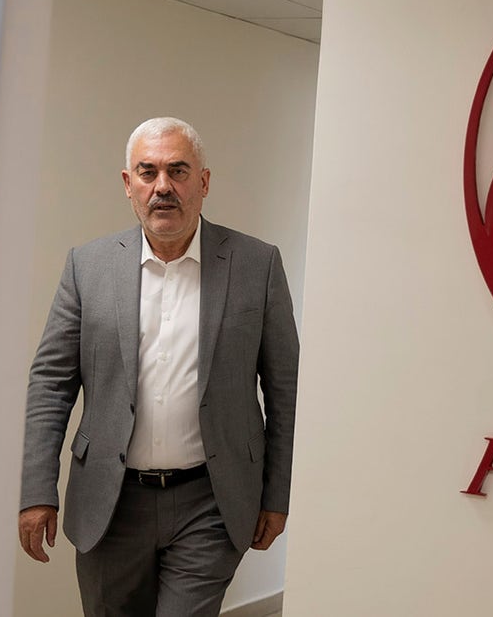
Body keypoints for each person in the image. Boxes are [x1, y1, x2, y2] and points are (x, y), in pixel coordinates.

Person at [18, 117, 298, 616]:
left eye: (178, 171)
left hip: (210, 503)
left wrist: (277, 494)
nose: (162, 187)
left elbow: (285, 389)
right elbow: (50, 384)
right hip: (110, 500)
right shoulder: (88, 266)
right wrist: (37, 489)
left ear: (204, 182)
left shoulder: (257, 266)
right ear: (129, 185)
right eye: (147, 172)